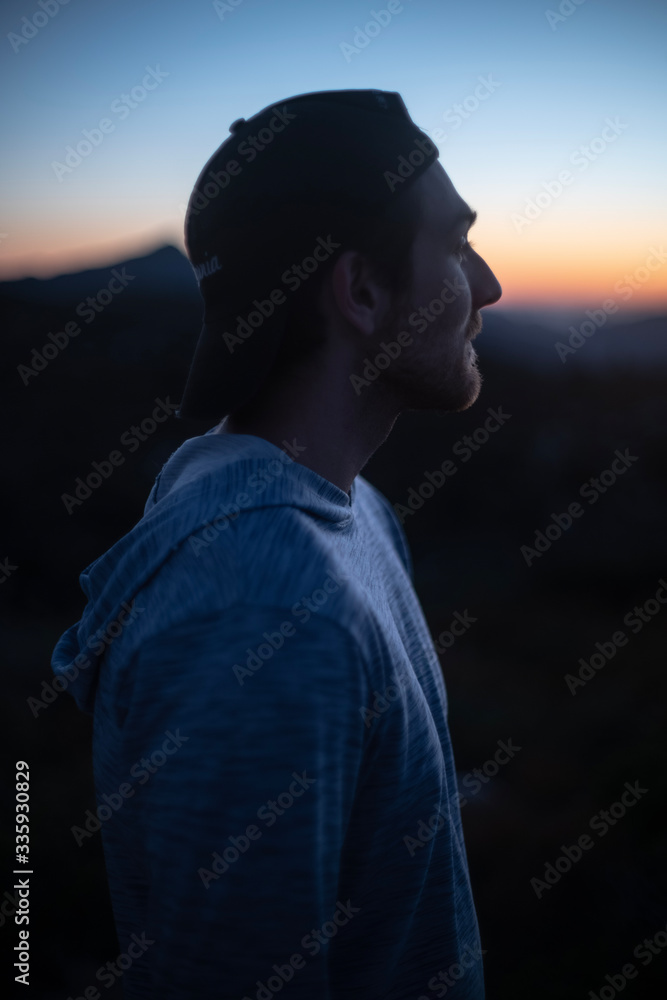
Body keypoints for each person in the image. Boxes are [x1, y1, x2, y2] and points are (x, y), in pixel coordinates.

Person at [52, 89, 501, 999]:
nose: (486, 285)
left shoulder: (349, 509)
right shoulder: (261, 608)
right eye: (454, 245)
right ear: (363, 292)